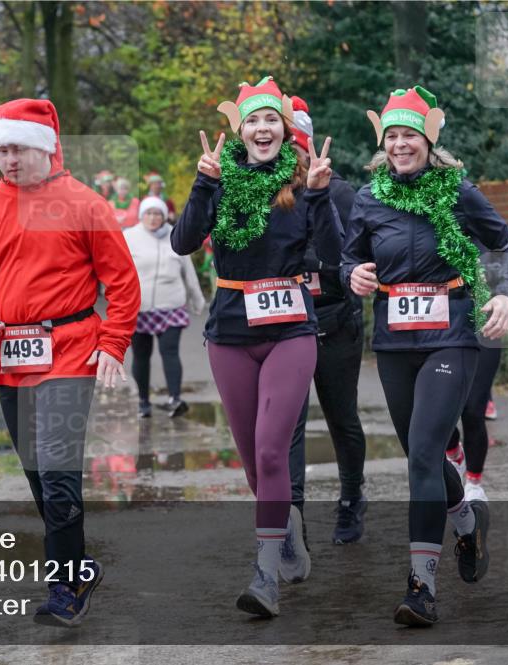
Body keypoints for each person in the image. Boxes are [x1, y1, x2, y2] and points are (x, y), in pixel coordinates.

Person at [0, 98, 140, 627]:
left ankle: (64, 588)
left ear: (43, 147)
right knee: (38, 474)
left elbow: (122, 282)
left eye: (17, 149)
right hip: (12, 356)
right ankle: (79, 567)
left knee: (57, 471)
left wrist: (112, 342)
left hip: (71, 348)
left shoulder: (85, 204)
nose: (8, 159)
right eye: (1, 150)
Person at [343, 85, 508, 627]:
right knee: (422, 456)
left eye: (410, 135)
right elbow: (349, 257)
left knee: (423, 452)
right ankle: (466, 523)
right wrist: (350, 274)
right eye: (392, 136)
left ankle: (421, 586)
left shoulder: (458, 191)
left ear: (428, 141)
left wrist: (505, 294)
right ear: (383, 143)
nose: (401, 144)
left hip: (452, 333)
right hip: (396, 342)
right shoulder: (369, 198)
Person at [172, 76, 341, 618]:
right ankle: (285, 529)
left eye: (272, 120)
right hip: (229, 333)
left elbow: (335, 255)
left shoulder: (303, 179)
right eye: (253, 120)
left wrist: (319, 193)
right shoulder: (220, 180)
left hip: (291, 330)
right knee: (253, 464)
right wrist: (203, 184)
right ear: (239, 129)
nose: (262, 128)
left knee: (273, 451)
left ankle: (265, 574)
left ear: (285, 129)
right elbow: (181, 242)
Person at [284, 96, 369, 545]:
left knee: (341, 417)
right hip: (286, 326)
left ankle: (352, 498)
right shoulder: (268, 193)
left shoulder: (339, 191)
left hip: (335, 322)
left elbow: (355, 255)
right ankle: (293, 518)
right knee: (290, 425)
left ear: (309, 144)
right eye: (286, 148)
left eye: (298, 147)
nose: (293, 157)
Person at [124, 196, 205, 418]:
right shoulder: (129, 237)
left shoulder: (175, 235)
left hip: (171, 304)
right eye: (148, 213)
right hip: (138, 307)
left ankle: (175, 398)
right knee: (141, 356)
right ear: (142, 216)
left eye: (157, 214)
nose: (153, 218)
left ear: (163, 216)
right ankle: (143, 401)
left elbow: (189, 272)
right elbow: (118, 272)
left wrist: (198, 301)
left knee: (169, 352)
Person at [444, 240, 508, 503]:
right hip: (443, 331)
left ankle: (473, 483)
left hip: (484, 330)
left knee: (473, 408)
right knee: (443, 409)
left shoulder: (488, 229)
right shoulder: (432, 224)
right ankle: (453, 450)